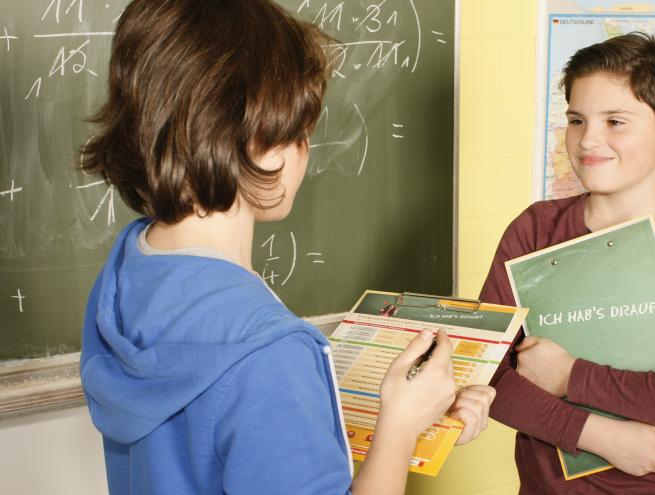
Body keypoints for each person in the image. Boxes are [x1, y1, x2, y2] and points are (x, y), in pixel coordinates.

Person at [78, 1, 494, 494]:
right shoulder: (270, 352)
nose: (305, 149)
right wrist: (400, 430)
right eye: (300, 132)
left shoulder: (126, 271)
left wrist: (397, 414)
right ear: (262, 142)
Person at [480, 32, 655, 494]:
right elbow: (486, 373)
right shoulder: (533, 231)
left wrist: (569, 376)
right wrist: (599, 434)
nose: (589, 140)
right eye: (577, 119)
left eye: (616, 121)